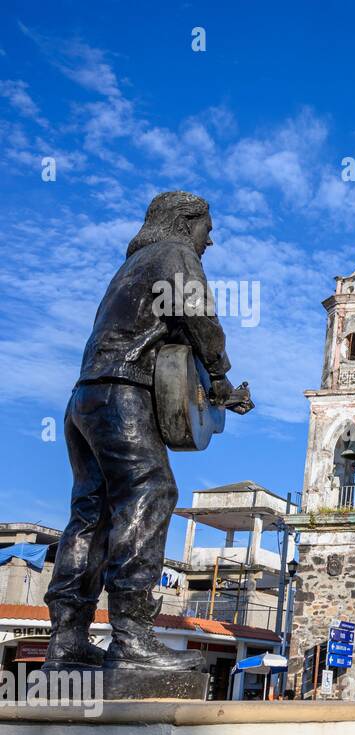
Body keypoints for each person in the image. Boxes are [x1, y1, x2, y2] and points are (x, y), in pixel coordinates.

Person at [43, 191, 252, 672]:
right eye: (207, 227)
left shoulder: (132, 268)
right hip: (124, 392)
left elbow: (169, 337)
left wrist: (215, 392)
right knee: (152, 491)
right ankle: (132, 637)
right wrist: (219, 375)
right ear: (185, 222)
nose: (210, 239)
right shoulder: (174, 255)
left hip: (85, 397)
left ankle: (66, 641)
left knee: (91, 513)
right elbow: (199, 317)